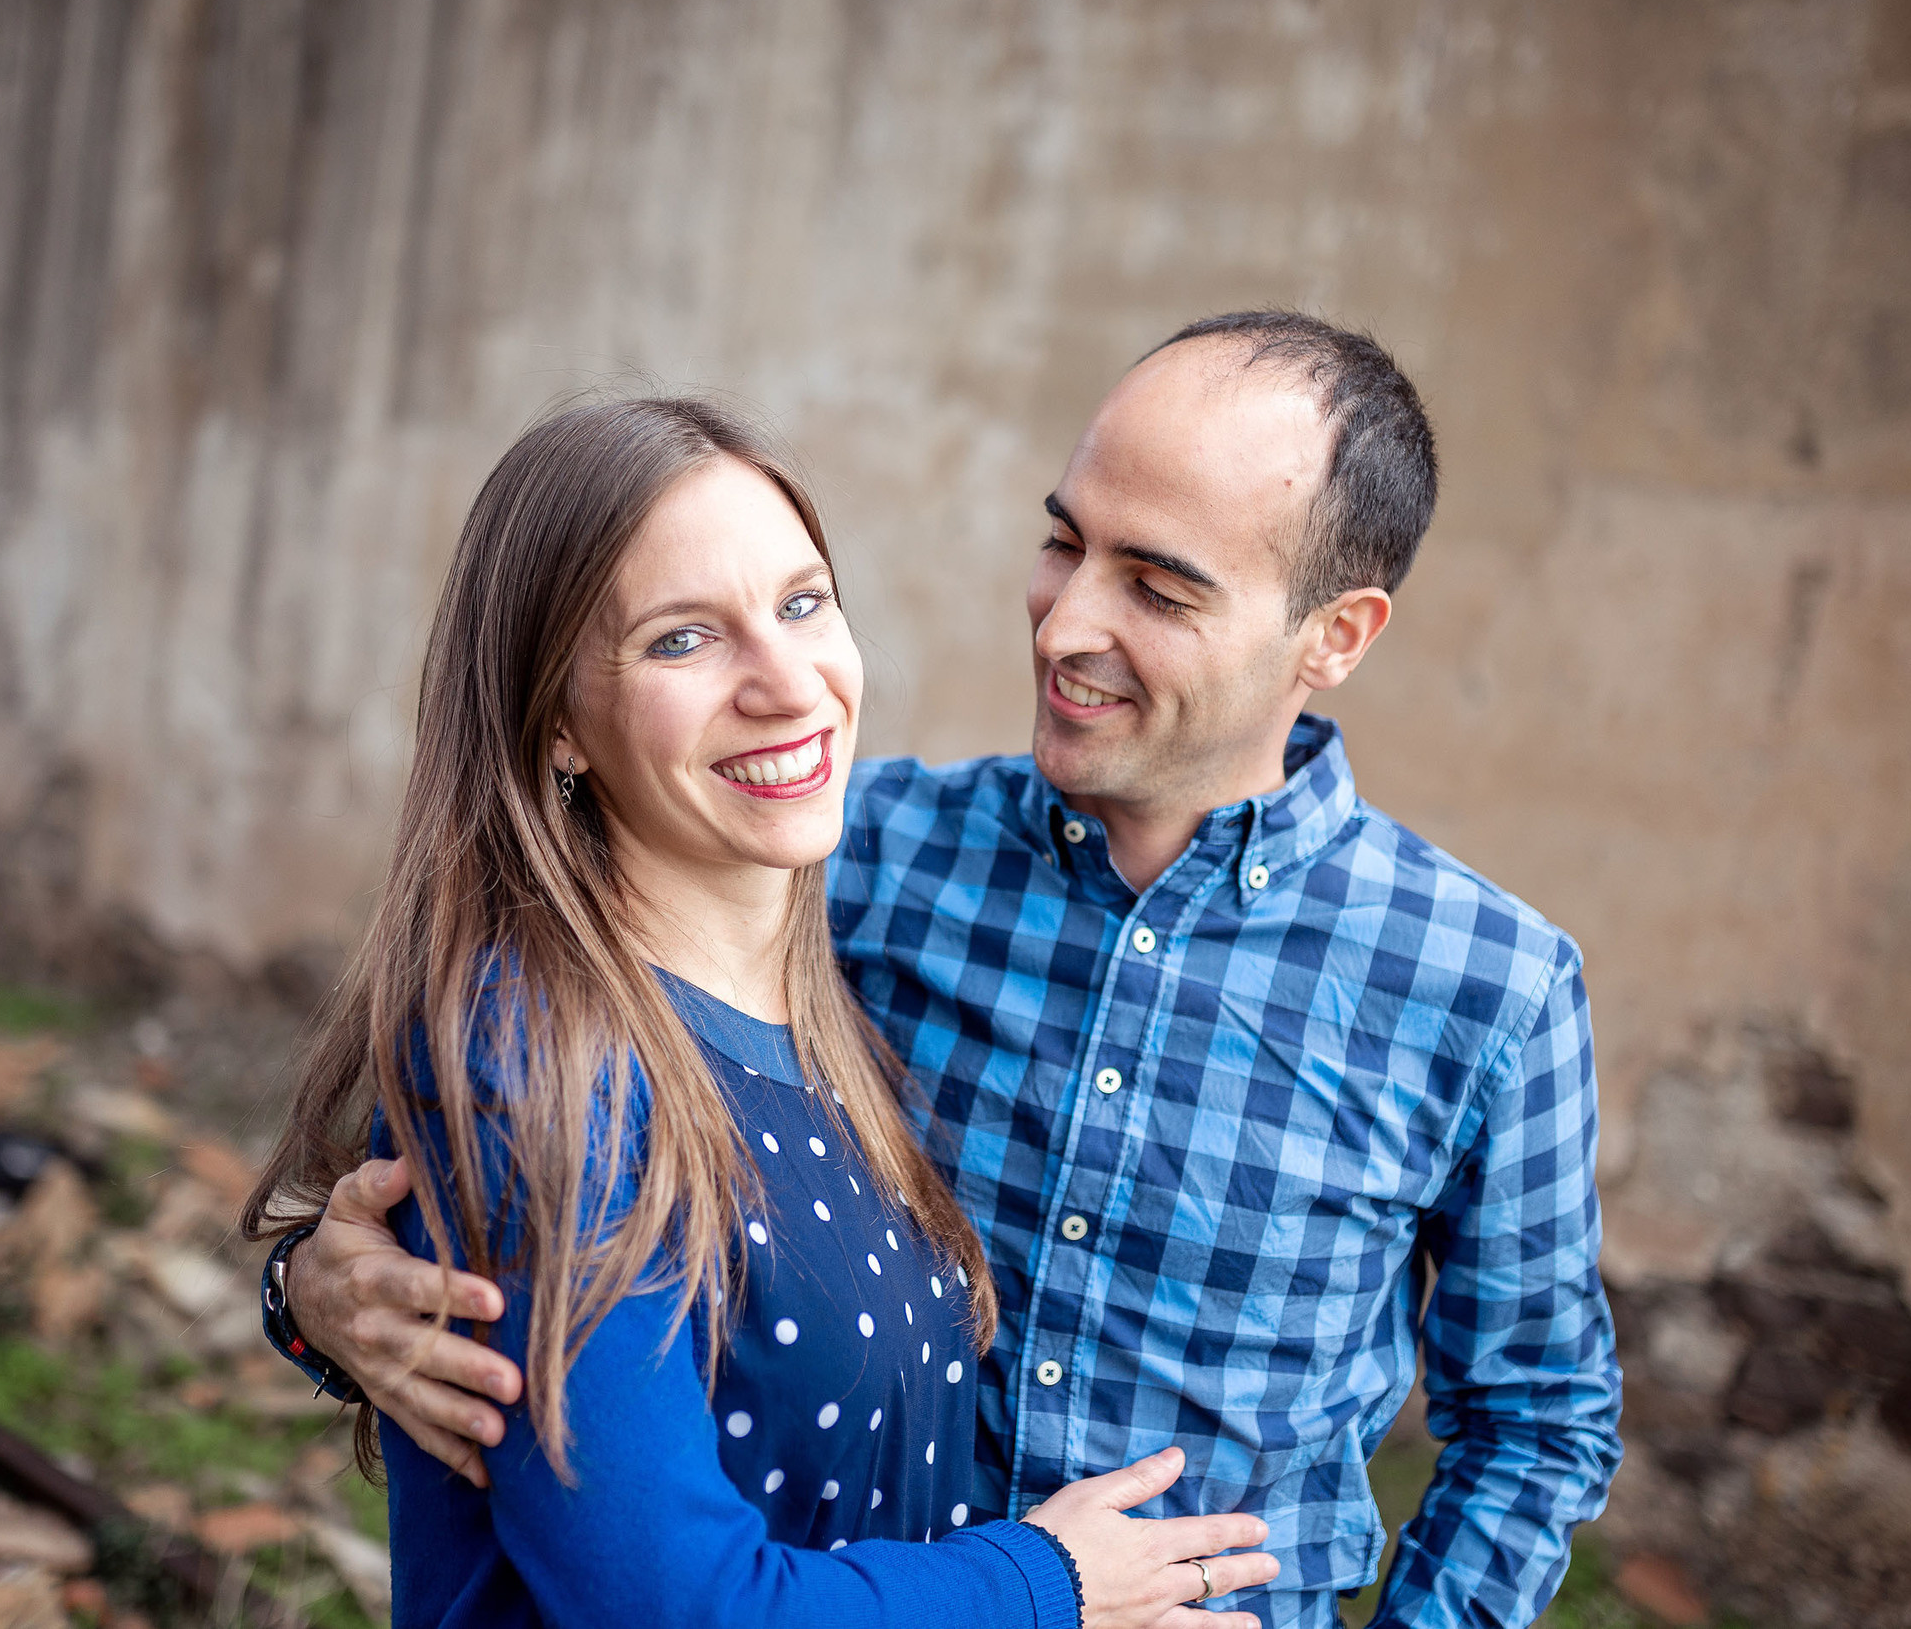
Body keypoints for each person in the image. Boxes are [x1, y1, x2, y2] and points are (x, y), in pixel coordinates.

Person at [261, 315, 1624, 1628]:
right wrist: (318, 1300)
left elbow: (1539, 1420)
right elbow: (517, 1137)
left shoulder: (1484, 987)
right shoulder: (850, 857)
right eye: (1063, 541)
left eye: (1156, 586)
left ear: (1335, 636)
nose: (1066, 623)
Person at [242, 396, 1282, 1629]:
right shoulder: (537, 1057)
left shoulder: (824, 993)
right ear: (558, 722)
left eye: (801, 604)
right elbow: (674, 1605)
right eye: (683, 640)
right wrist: (1045, 1584)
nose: (788, 684)